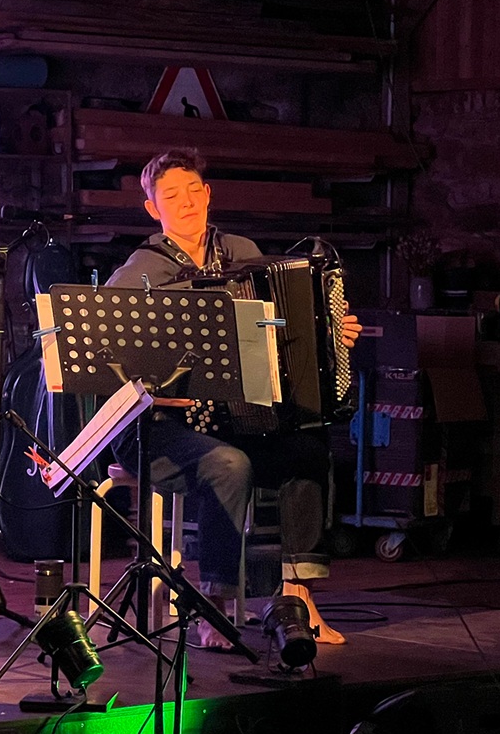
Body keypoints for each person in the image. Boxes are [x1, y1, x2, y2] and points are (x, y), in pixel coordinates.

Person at [104, 147, 360, 650]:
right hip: (159, 429)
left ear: (208, 194)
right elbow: (107, 355)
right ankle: (213, 606)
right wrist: (158, 384)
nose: (186, 202)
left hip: (236, 421)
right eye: (171, 196)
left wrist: (332, 334)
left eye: (193, 191)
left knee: (308, 448)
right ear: (152, 208)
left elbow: (283, 337)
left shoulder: (243, 252)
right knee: (229, 464)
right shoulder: (140, 270)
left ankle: (296, 600)